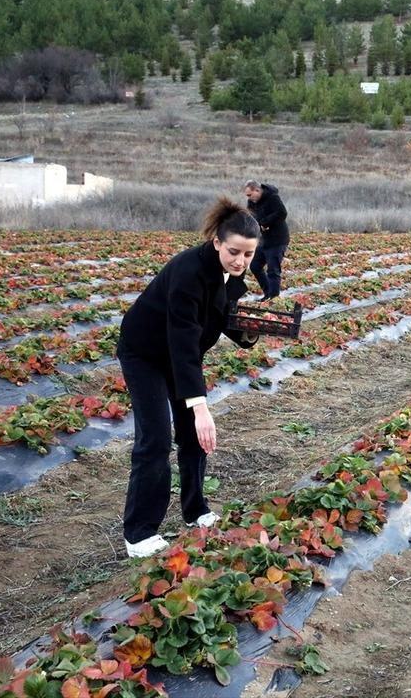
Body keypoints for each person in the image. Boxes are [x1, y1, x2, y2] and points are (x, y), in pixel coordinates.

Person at [116, 198, 261, 558]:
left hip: (180, 354)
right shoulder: (187, 273)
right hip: (146, 352)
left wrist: (250, 330)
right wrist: (200, 406)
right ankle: (139, 532)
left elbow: (218, 315)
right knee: (156, 438)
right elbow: (182, 340)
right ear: (216, 242)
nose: (240, 261)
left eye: (248, 255)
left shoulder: (227, 272)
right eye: (233, 252)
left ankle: (195, 510)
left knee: (194, 438)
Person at [243, 179, 289, 301]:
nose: (249, 198)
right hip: (263, 240)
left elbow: (282, 213)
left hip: (278, 239)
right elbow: (250, 216)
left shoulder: (272, 197)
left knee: (273, 270)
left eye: (250, 195)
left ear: (257, 190)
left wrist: (265, 222)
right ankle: (268, 293)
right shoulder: (252, 202)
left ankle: (274, 299)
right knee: (255, 266)